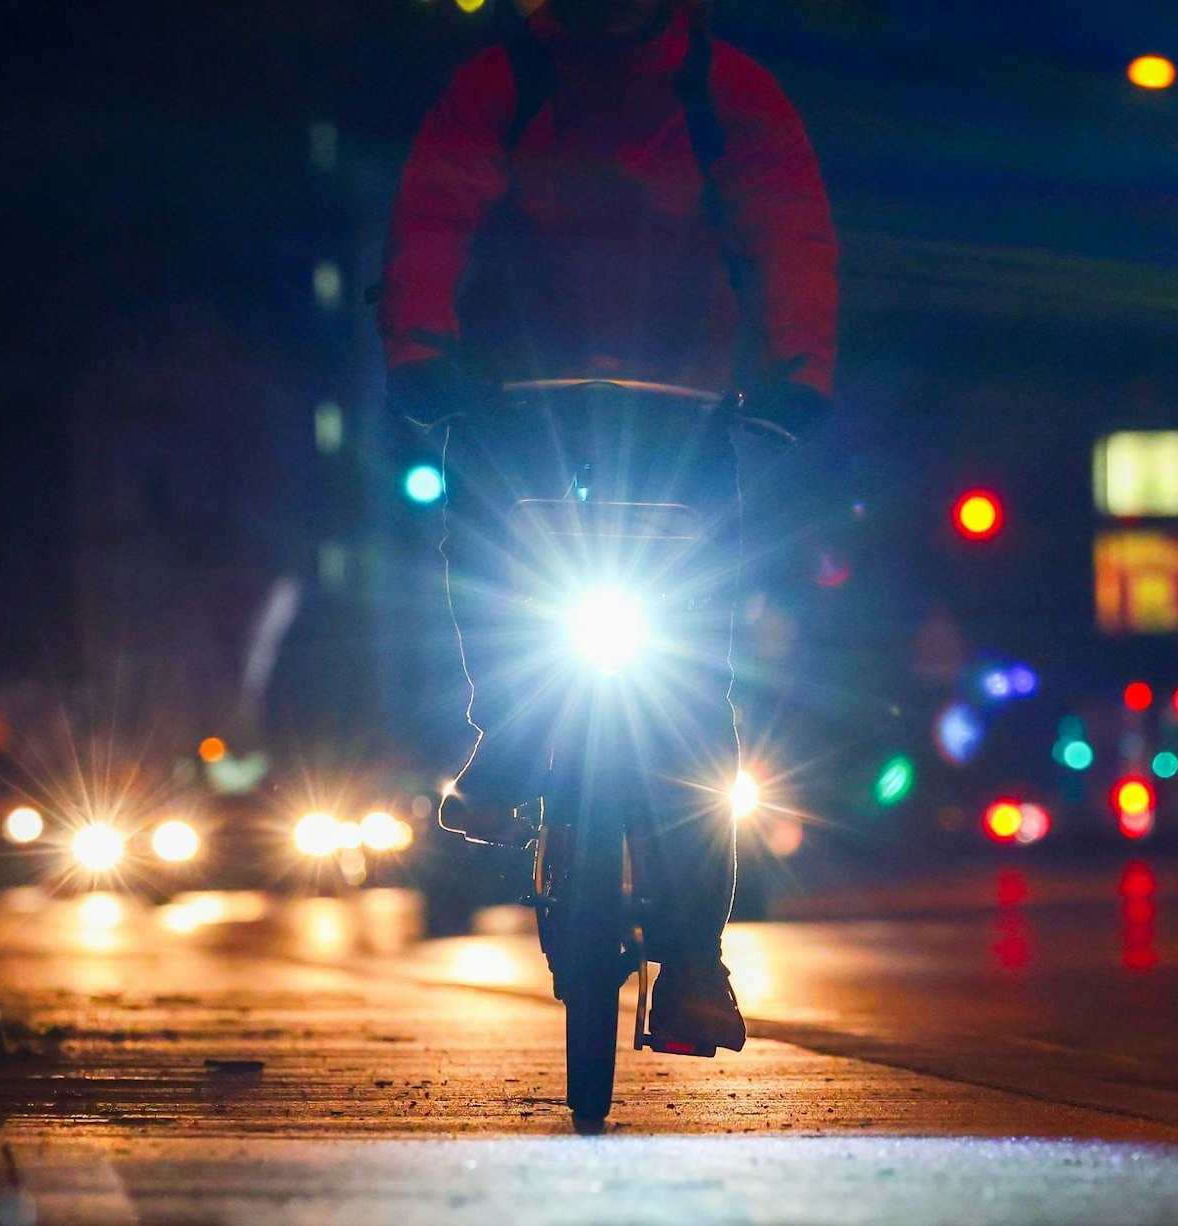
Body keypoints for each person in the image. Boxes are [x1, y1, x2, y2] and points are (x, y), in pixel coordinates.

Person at [381, 0, 838, 1052]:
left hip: (676, 412)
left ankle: (692, 964)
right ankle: (509, 736)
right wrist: (418, 348)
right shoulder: (498, 86)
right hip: (515, 399)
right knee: (493, 567)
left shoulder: (728, 97)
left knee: (686, 692)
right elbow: (432, 222)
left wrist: (796, 373)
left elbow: (790, 235)